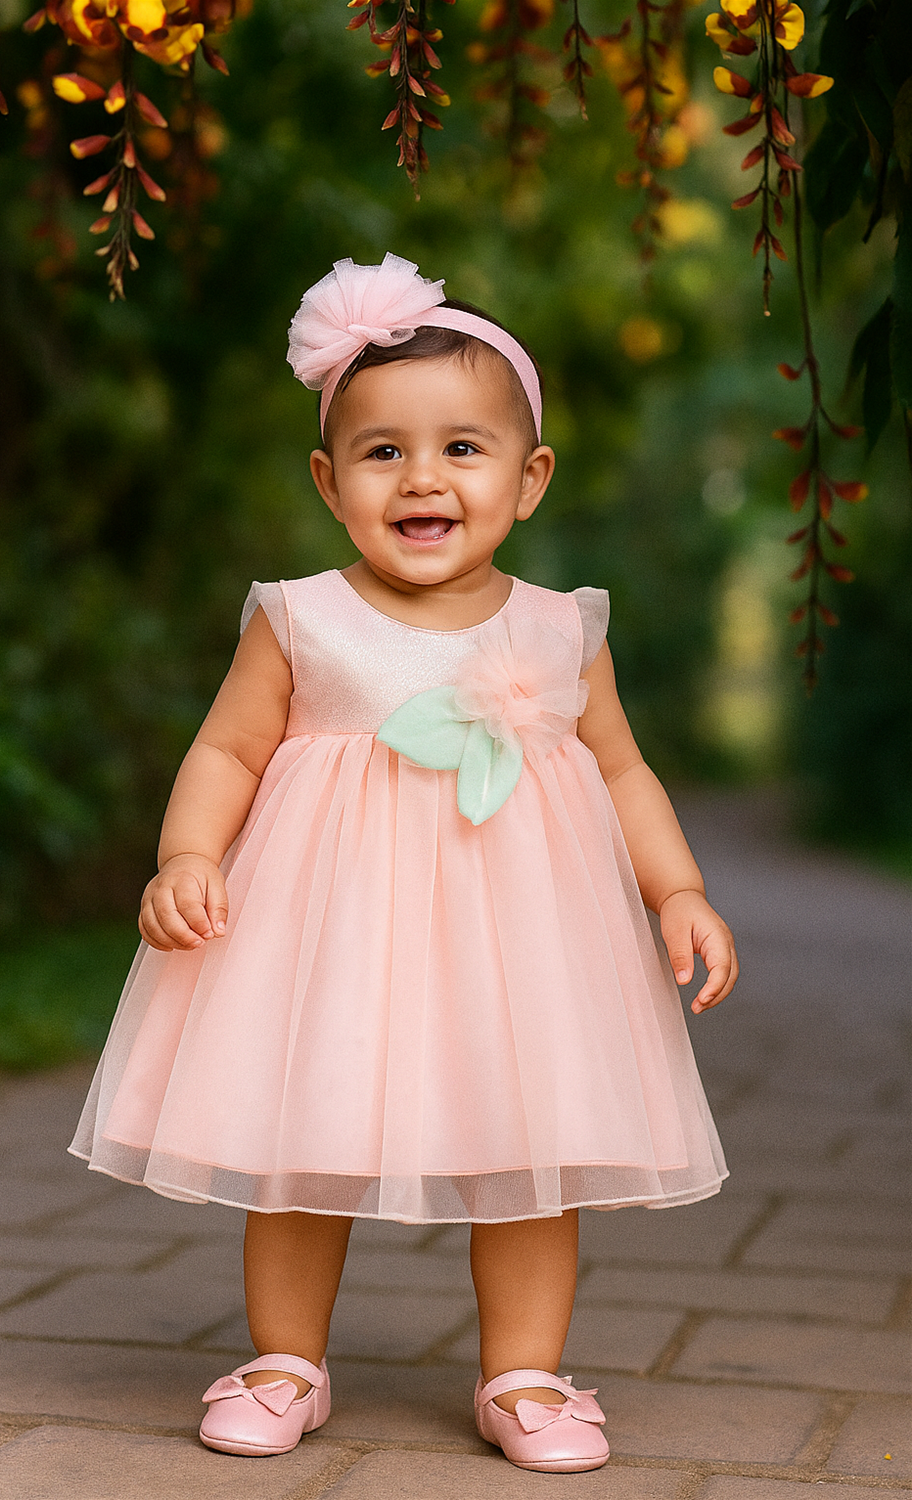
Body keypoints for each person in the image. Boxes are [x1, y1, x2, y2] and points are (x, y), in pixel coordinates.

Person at [70, 253, 738, 1474]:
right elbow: (227, 747)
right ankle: (284, 1359)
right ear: (330, 482)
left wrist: (677, 890)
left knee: (530, 1156)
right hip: (331, 941)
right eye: (382, 452)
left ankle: (525, 1376)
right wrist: (186, 854)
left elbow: (624, 771)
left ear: (528, 479)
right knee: (304, 1136)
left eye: (462, 449)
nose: (422, 476)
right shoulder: (301, 617)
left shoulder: (558, 627)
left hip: (523, 952)